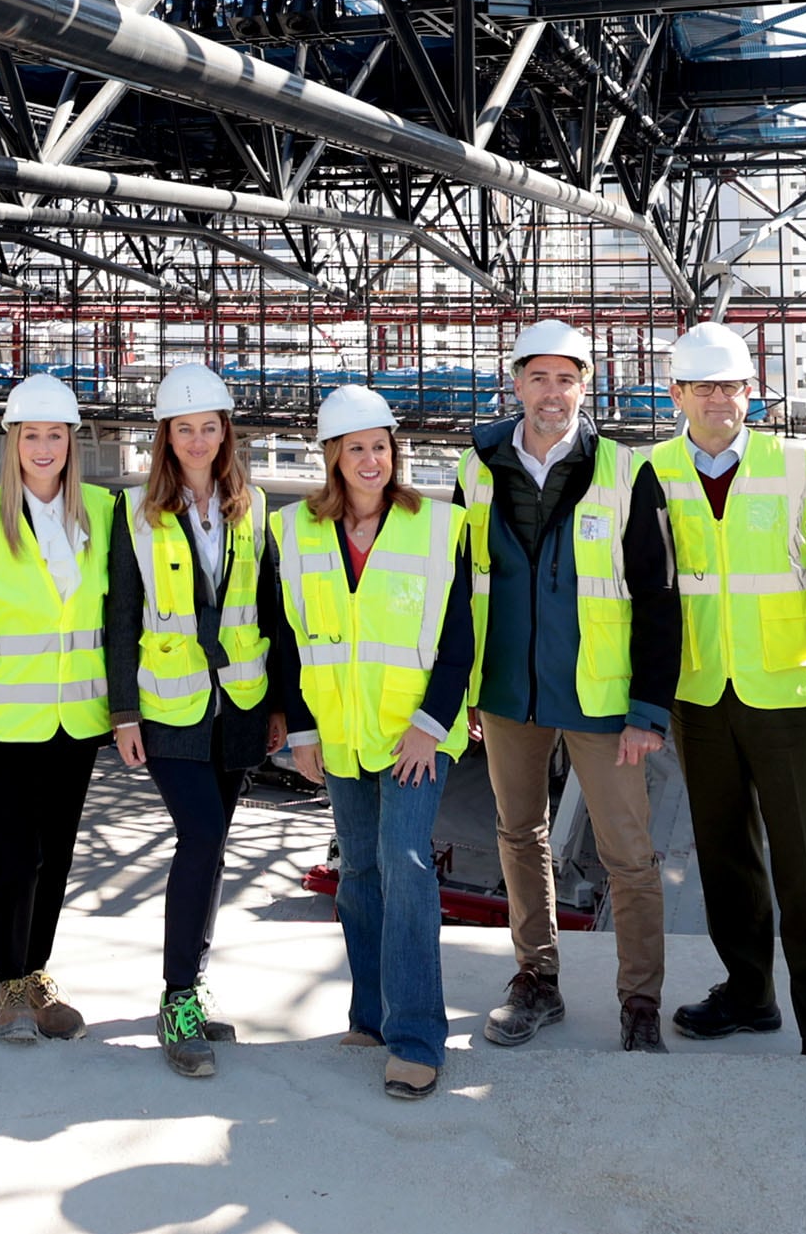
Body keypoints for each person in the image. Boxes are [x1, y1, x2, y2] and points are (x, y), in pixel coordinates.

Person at [452, 319, 679, 1052]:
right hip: (506, 689)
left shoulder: (623, 470)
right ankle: (535, 978)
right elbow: (456, 587)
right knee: (518, 833)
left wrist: (647, 706)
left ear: (587, 385)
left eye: (567, 378)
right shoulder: (475, 466)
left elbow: (657, 592)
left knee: (628, 851)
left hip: (601, 696)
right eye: (539, 377)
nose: (553, 393)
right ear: (514, 381)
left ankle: (639, 997)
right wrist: (462, 691)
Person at [650, 321, 806, 1059]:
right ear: (676, 393)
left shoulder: (799, 463)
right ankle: (748, 994)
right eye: (699, 386)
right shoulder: (652, 470)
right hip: (699, 690)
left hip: (784, 689)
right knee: (723, 854)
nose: (715, 399)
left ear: (750, 392)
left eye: (729, 386)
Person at [275, 384, 478, 1099]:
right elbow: (287, 641)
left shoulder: (437, 524)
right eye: (356, 447)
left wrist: (430, 724)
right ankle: (368, 1014)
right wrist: (300, 731)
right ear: (331, 456)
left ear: (397, 453)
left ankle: (417, 1035)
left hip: (415, 732)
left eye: (381, 446)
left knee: (406, 861)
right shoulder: (293, 529)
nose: (370, 459)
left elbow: (459, 637)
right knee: (358, 869)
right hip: (339, 730)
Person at [104, 362, 303, 1078]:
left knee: (214, 847)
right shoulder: (134, 512)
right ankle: (177, 998)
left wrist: (280, 704)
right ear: (166, 437)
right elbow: (120, 615)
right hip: (168, 707)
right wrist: (122, 710)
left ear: (225, 433)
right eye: (182, 428)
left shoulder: (251, 508)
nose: (196, 438)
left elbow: (273, 614)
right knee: (199, 839)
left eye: (207, 426)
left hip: (240, 704)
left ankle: (193, 979)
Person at [0, 373, 118, 1044]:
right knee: (12, 858)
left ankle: (39, 972)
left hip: (77, 720)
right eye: (31, 435)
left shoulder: (101, 512)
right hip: (6, 722)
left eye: (54, 435)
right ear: (12, 442)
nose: (43, 447)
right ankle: (7, 983)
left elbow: (117, 617)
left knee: (57, 856)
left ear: (72, 442)